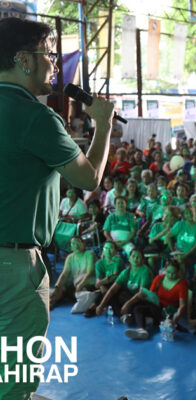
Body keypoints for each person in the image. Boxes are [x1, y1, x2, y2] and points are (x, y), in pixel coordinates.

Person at [0, 19, 114, 398]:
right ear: (23, 60)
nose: (54, 64)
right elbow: (88, 179)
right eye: (48, 55)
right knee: (15, 379)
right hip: (14, 269)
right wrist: (103, 125)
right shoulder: (35, 116)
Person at [123, 259, 188, 340]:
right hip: (156, 306)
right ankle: (142, 330)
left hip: (167, 312)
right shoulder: (159, 278)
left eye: (173, 273)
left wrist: (175, 319)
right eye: (168, 272)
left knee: (141, 309)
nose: (171, 275)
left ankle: (145, 321)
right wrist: (130, 302)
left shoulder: (182, 284)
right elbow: (150, 295)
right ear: (165, 270)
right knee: (137, 307)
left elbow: (182, 306)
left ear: (178, 272)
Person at [49, 236, 96, 309]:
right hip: (75, 285)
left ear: (83, 244)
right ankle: (50, 302)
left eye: (78, 243)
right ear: (71, 247)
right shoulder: (70, 257)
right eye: (73, 244)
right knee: (60, 289)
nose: (76, 245)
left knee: (83, 292)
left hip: (87, 284)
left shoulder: (89, 254)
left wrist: (80, 285)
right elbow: (64, 274)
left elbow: (89, 273)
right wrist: (57, 286)